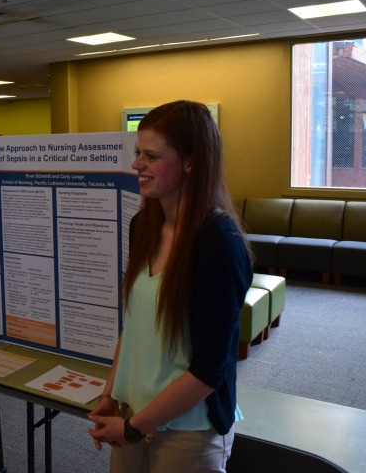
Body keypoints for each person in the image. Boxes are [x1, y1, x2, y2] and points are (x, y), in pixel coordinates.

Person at [88, 100, 252, 472]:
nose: (136, 164)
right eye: (137, 152)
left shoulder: (219, 243)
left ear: (191, 161)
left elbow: (209, 371)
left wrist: (132, 427)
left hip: (188, 430)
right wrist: (111, 396)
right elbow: (133, 328)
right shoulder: (142, 226)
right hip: (132, 414)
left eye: (151, 155)